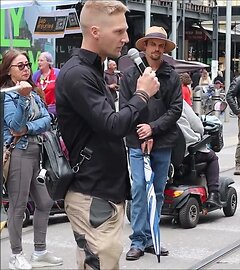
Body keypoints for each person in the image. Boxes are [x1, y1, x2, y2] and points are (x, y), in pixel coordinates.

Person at [55, 1, 160, 268]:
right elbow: (112, 125)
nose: (126, 39)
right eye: (119, 31)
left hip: (102, 193)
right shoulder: (78, 74)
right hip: (93, 193)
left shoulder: (93, 68)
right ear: (95, 31)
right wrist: (141, 94)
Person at [120, 25, 183, 261]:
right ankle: (138, 240)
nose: (156, 49)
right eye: (152, 44)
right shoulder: (130, 76)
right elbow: (125, 110)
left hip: (163, 142)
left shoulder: (171, 75)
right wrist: (142, 135)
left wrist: (153, 130)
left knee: (156, 192)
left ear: (164, 49)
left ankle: (151, 237)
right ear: (144, 46)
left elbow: (176, 110)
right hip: (137, 142)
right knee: (138, 190)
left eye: (161, 45)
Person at [1, 49, 62, 270]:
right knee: (18, 205)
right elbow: (15, 127)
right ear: (9, 70)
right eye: (21, 65)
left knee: (44, 202)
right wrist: (23, 100)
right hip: (19, 153)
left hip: (37, 153)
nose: (27, 68)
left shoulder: (34, 92)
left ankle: (39, 250)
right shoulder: (8, 95)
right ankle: (16, 254)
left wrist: (30, 127)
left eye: (27, 64)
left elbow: (48, 119)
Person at [177, 100, 223, 207]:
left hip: (166, 155)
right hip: (187, 154)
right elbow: (198, 127)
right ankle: (213, 194)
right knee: (212, 157)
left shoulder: (155, 104)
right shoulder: (180, 103)